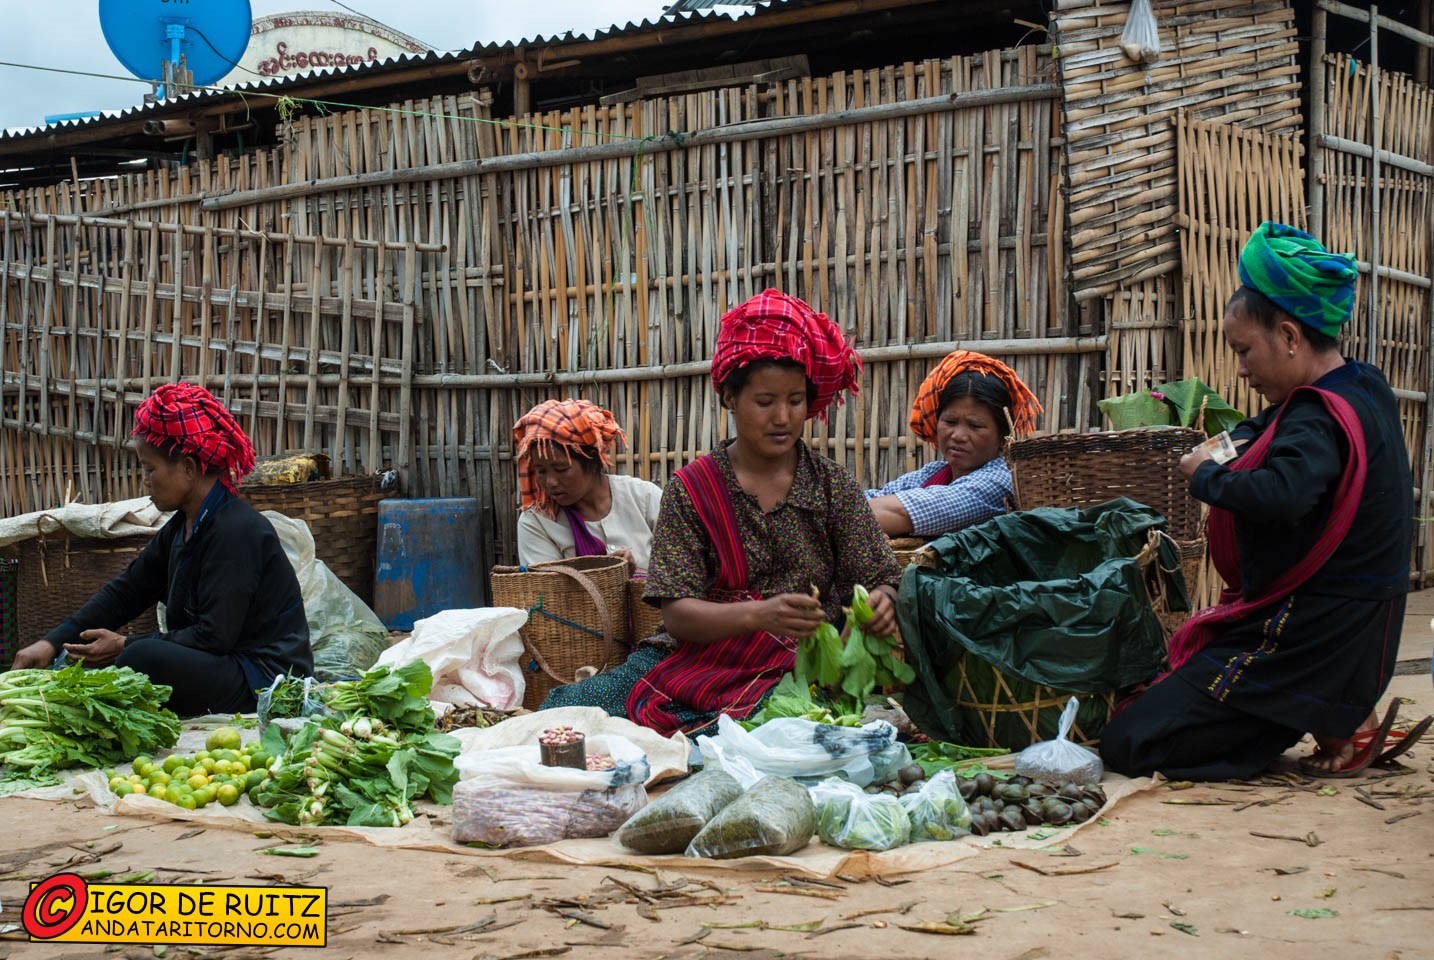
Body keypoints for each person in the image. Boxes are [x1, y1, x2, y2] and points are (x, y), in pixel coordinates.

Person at [1101, 222, 1430, 781]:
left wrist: (1205, 477)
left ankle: (1319, 714)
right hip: (1347, 622)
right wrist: (1212, 446)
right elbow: (1259, 432)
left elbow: (1281, 496)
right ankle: (1330, 711)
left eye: (1245, 351)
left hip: (1310, 632)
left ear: (1290, 335)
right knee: (1154, 708)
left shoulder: (1316, 416)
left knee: (1130, 743)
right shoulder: (1359, 385)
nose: (1241, 369)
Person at [542, 290, 903, 735]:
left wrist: (883, 601)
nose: (783, 417)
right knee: (571, 710)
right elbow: (677, 615)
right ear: (729, 397)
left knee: (774, 728)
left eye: (795, 401)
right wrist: (759, 615)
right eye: (765, 401)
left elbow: (880, 576)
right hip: (692, 658)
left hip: (799, 667)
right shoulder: (692, 490)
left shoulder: (831, 487)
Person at [9, 383, 312, 716]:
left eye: (149, 469)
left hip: (264, 678)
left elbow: (214, 637)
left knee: (140, 658)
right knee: (103, 663)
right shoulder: (182, 527)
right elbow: (126, 593)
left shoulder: (236, 531)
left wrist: (126, 644)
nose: (144, 480)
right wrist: (51, 642)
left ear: (188, 468)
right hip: (224, 664)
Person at [865, 351, 1041, 537]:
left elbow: (900, 512)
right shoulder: (931, 474)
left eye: (975, 425)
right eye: (950, 422)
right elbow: (869, 500)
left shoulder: (1000, 482)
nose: (958, 435)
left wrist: (841, 514)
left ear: (1003, 435)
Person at [513, 399, 663, 574]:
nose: (550, 482)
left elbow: (680, 572)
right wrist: (607, 575)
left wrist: (638, 574)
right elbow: (550, 591)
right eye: (541, 471)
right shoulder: (537, 521)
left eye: (561, 469)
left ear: (591, 461)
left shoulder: (644, 497)